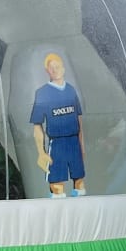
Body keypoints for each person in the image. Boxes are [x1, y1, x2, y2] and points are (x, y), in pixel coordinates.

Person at [30, 53, 86, 198]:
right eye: (51, 67)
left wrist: (82, 146)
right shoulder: (42, 93)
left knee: (79, 184)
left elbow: (79, 120)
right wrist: (41, 152)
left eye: (57, 66)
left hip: (74, 142)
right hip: (57, 144)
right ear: (47, 71)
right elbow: (37, 126)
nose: (55, 70)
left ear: (63, 68)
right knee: (56, 186)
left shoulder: (71, 90)